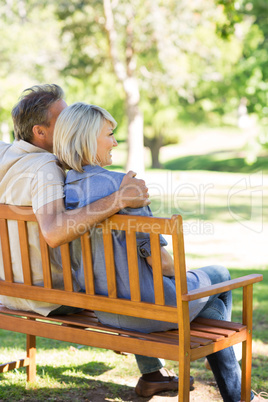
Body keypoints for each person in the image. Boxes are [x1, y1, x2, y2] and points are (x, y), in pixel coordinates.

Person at [53, 101, 256, 401]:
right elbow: (162, 264)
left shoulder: (64, 192)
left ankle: (155, 375)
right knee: (220, 277)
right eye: (109, 134)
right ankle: (238, 394)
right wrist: (186, 277)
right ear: (86, 138)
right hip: (151, 312)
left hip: (105, 310)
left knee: (197, 292)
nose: (116, 141)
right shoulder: (125, 188)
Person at [0, 85, 176, 397]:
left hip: (6, 288)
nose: (72, 125)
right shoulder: (45, 168)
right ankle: (152, 369)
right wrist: (118, 198)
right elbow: (54, 232)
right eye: (63, 120)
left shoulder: (4, 153)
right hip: (49, 296)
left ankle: (154, 372)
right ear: (39, 131)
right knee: (119, 274)